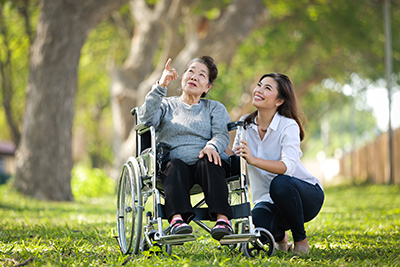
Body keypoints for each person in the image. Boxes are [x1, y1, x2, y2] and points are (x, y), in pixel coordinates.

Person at [138, 56, 233, 241]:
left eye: (202, 75)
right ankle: (177, 221)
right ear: (182, 76)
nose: (194, 77)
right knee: (174, 165)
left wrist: (211, 146)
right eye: (191, 71)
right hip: (174, 168)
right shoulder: (166, 105)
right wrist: (160, 86)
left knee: (210, 161)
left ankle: (223, 221)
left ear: (208, 87)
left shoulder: (215, 108)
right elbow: (145, 120)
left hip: (206, 166)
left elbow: (222, 134)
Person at [230, 73, 324, 255]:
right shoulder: (244, 124)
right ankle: (280, 238)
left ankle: (301, 240)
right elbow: (236, 159)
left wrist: (254, 160)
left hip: (304, 196)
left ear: (279, 101)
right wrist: (213, 145)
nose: (259, 90)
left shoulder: (288, 126)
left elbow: (287, 168)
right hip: (266, 199)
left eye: (267, 88)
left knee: (279, 183)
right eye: (259, 85)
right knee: (258, 230)